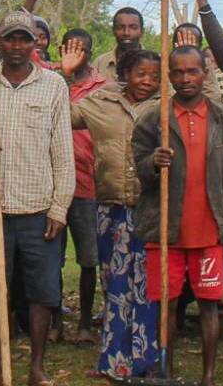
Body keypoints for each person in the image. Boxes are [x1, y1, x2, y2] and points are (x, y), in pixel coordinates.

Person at [0, 10, 75, 386]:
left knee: (42, 290)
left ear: (35, 43)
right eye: (10, 38)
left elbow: (62, 152)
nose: (17, 46)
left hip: (38, 208)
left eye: (25, 39)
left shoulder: (54, 85)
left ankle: (37, 367)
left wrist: (60, 207)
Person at [132, 45, 223, 386]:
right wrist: (153, 163)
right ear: (169, 76)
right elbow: (138, 167)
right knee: (166, 305)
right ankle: (165, 371)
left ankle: (209, 376)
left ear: (205, 73)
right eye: (178, 72)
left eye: (192, 71)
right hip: (166, 229)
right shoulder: (155, 119)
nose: (185, 79)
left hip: (209, 230)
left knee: (210, 305)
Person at [74, 49, 164, 379]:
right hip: (111, 210)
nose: (148, 81)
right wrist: (70, 77)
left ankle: (147, 358)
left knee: (148, 287)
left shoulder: (164, 107)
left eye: (154, 76)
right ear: (125, 72)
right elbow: (62, 115)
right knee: (115, 285)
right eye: (141, 74)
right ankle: (114, 360)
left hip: (151, 210)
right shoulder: (99, 103)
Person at [56, 30, 109, 347]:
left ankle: (86, 322)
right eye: (70, 47)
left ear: (90, 51)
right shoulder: (50, 79)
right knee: (52, 259)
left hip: (88, 184)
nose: (76, 53)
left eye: (82, 48)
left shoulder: (103, 88)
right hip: (52, 186)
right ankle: (54, 321)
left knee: (88, 258)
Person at [95, 7, 147, 79]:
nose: (126, 33)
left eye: (133, 27)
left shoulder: (157, 63)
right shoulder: (100, 63)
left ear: (142, 32)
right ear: (113, 31)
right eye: (120, 27)